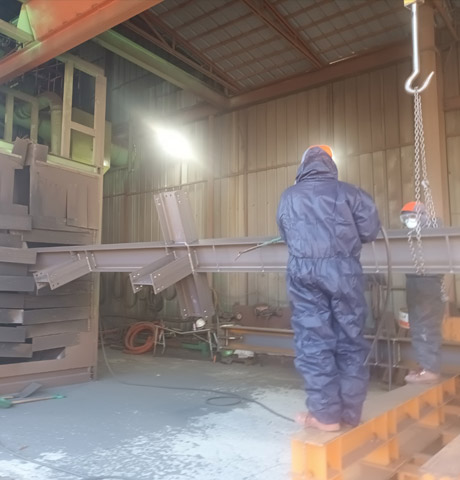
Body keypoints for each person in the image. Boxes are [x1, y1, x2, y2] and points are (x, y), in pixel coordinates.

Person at [276, 145, 380, 432]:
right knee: (351, 338)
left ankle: (325, 415)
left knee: (314, 340)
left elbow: (285, 234)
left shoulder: (289, 196)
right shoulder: (351, 193)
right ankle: (350, 413)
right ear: (331, 164)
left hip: (303, 273)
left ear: (303, 165)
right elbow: (370, 231)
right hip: (345, 272)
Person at [400, 201, 445, 384]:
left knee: (426, 325)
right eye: (405, 219)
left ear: (423, 217)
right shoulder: (411, 236)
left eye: (411, 217)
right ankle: (425, 365)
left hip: (427, 283)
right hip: (415, 282)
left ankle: (431, 369)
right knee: (418, 326)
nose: (408, 222)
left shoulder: (432, 233)